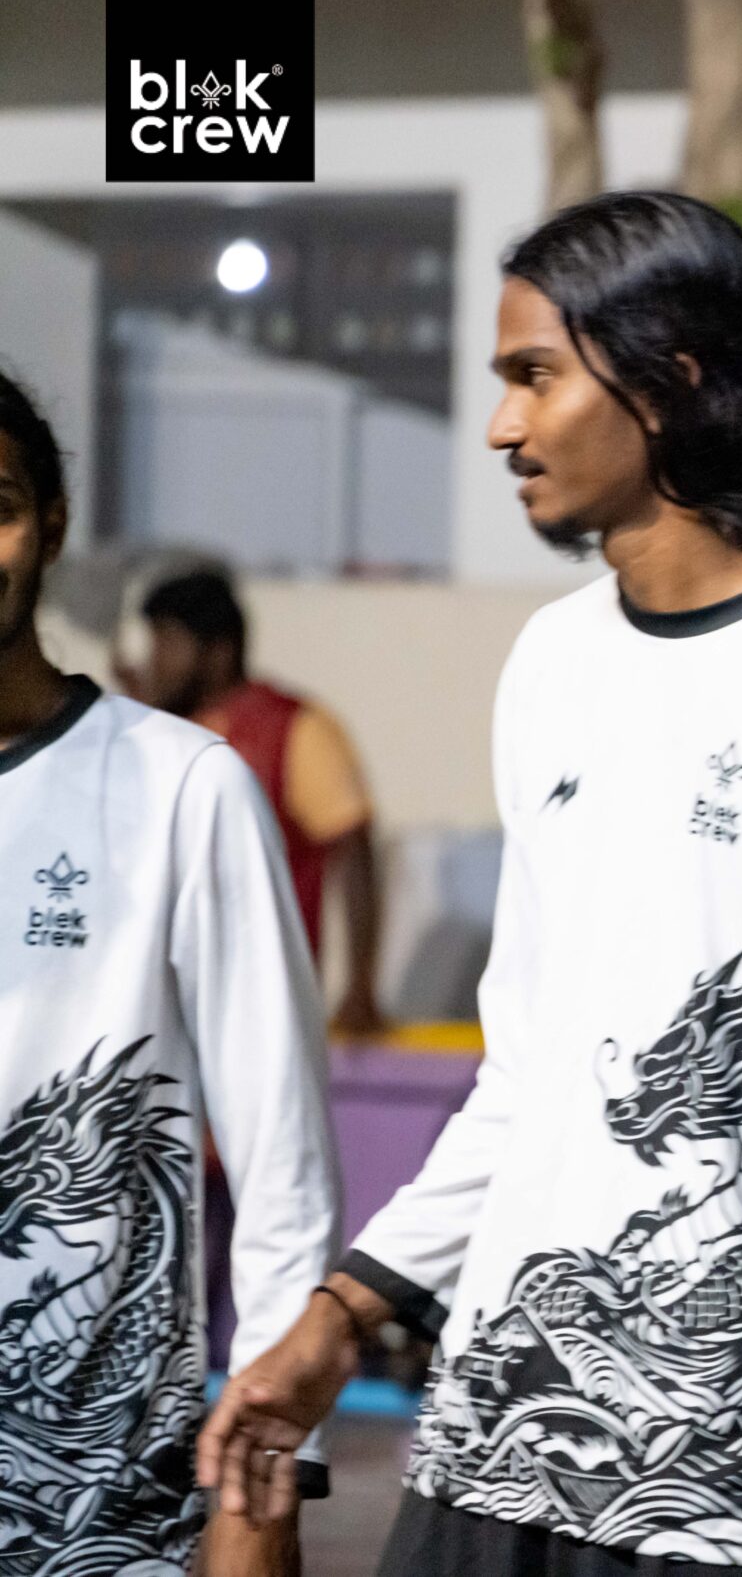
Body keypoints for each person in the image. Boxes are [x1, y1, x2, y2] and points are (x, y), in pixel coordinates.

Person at [201, 191, 742, 1577]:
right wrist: (342, 1311)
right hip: (495, 1438)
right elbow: (529, 1074)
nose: (503, 427)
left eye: (535, 375)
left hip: (737, 1484)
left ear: (668, 381)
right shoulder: (555, 660)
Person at [0, 366, 340, 1576]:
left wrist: (270, 1482)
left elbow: (281, 1154)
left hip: (98, 1511)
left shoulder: (184, 787)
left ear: (51, 525)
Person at [132, 568, 386, 1037]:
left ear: (218, 651)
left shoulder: (294, 728)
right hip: (160, 1006)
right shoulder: (152, 731)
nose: (153, 662)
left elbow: (355, 852)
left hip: (263, 1008)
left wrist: (360, 985)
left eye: (167, 643)